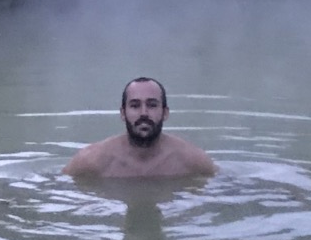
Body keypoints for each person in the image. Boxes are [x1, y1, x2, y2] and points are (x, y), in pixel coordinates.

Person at [63, 77, 217, 180]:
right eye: (135, 105)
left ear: (165, 113)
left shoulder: (192, 161)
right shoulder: (92, 161)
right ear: (123, 113)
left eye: (152, 105)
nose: (144, 113)